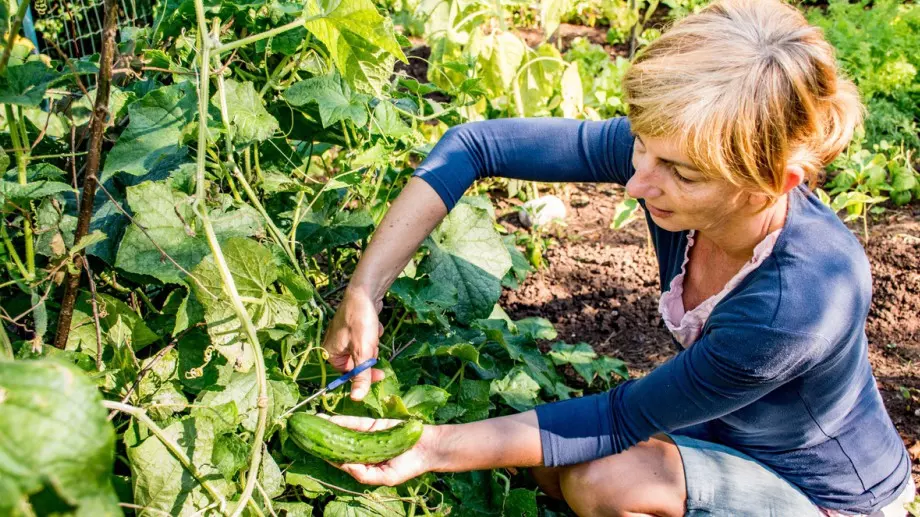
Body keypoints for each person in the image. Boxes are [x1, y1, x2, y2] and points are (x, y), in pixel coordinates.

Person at [319, 0, 916, 515]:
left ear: (773, 182)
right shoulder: (674, 161)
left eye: (680, 174)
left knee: (601, 480)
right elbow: (477, 144)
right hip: (726, 429)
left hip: (824, 492)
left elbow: (618, 419)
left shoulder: (798, 302)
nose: (637, 183)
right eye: (641, 148)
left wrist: (428, 448)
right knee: (549, 467)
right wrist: (364, 291)